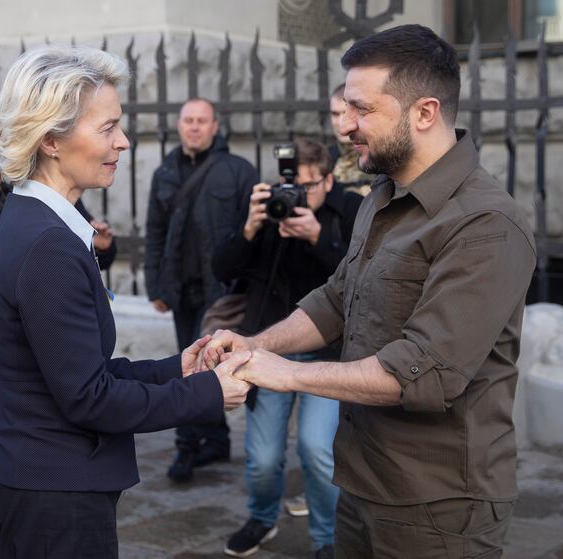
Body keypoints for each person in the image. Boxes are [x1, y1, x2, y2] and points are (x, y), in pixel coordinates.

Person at [202, 24, 536, 558]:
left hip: (437, 508)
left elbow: (420, 371)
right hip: (360, 482)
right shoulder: (383, 194)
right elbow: (337, 299)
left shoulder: (486, 223)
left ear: (424, 112)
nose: (346, 127)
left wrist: (285, 375)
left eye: (362, 110)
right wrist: (257, 345)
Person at [0, 46, 251, 558]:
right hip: (53, 497)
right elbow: (89, 398)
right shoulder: (49, 246)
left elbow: (75, 370)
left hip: (44, 484)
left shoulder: (39, 224)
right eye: (107, 128)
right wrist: (208, 393)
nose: (123, 142)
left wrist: (178, 369)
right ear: (53, 139)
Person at [0, 167, 117, 558]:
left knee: (3, 429)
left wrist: (104, 246)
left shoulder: (59, 200)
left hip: (19, 359)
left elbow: (83, 248)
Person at [215, 139, 362, 558]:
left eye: (307, 187)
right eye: (290, 186)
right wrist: (249, 227)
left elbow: (361, 282)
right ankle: (262, 518)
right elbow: (223, 269)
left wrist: (318, 238)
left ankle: (326, 539)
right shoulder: (266, 211)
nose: (296, 195)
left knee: (317, 450)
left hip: (327, 353)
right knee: (262, 457)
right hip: (267, 345)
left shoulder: (349, 210)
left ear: (328, 179)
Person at [144, 97, 258, 482]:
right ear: (179, 125)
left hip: (219, 293)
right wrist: (154, 285)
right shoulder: (165, 172)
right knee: (190, 365)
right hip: (180, 290)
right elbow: (154, 232)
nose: (194, 127)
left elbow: (252, 236)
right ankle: (215, 441)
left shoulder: (239, 171)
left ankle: (186, 448)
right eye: (188, 120)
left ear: (215, 126)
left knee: (198, 372)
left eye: (201, 121)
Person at [329, 83, 375, 196]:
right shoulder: (325, 157)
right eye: (335, 114)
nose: (341, 122)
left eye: (345, 112)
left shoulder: (378, 156)